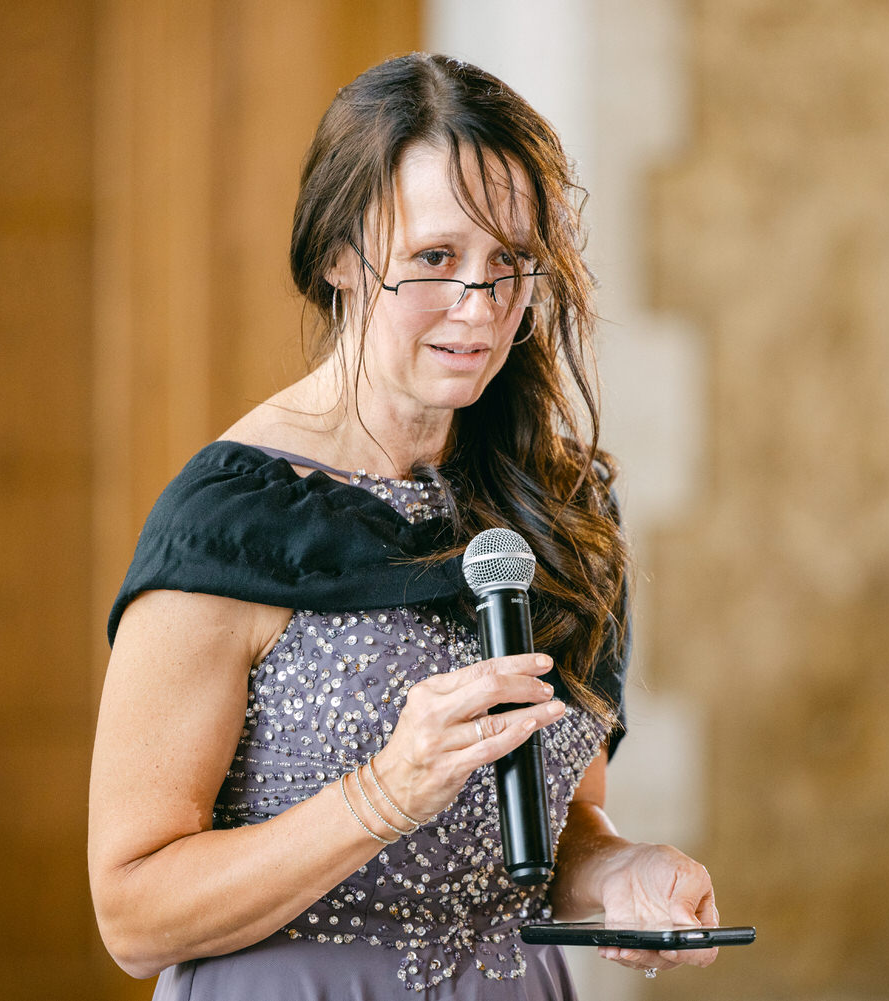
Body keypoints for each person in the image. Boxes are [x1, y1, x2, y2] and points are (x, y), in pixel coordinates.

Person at [88, 52, 720, 998]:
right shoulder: (232, 523)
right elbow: (132, 914)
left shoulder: (560, 511)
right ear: (340, 254)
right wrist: (382, 794)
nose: (480, 309)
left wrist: (617, 872)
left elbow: (560, 828)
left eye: (511, 264)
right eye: (436, 259)